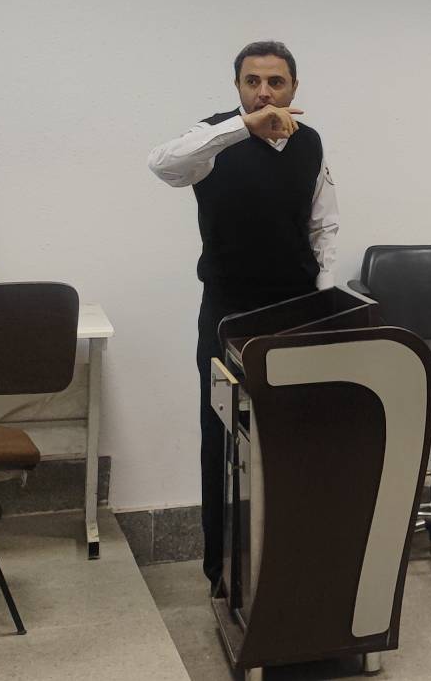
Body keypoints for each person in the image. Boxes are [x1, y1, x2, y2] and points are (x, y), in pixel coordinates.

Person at [146, 41, 340, 587]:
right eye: (253, 81)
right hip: (228, 314)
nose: (264, 92)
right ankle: (221, 571)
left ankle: (287, 566)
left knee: (292, 438)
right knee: (221, 436)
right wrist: (241, 128)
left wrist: (326, 298)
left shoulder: (310, 143)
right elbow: (162, 165)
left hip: (295, 311)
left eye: (276, 82)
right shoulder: (213, 138)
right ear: (237, 88)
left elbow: (323, 224)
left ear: (294, 88)